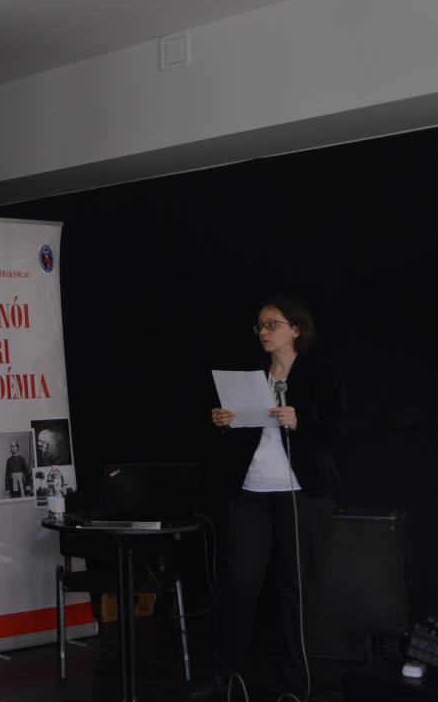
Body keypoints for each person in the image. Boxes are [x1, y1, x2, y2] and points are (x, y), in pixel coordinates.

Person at [194, 296, 347, 700]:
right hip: (251, 491)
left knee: (294, 587)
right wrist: (224, 423)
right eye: (260, 326)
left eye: (272, 324)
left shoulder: (323, 375)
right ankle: (227, 677)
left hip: (301, 494)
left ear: (296, 329)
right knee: (239, 583)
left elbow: (337, 438)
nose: (264, 332)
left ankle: (296, 682)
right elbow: (237, 443)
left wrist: (299, 423)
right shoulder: (251, 376)